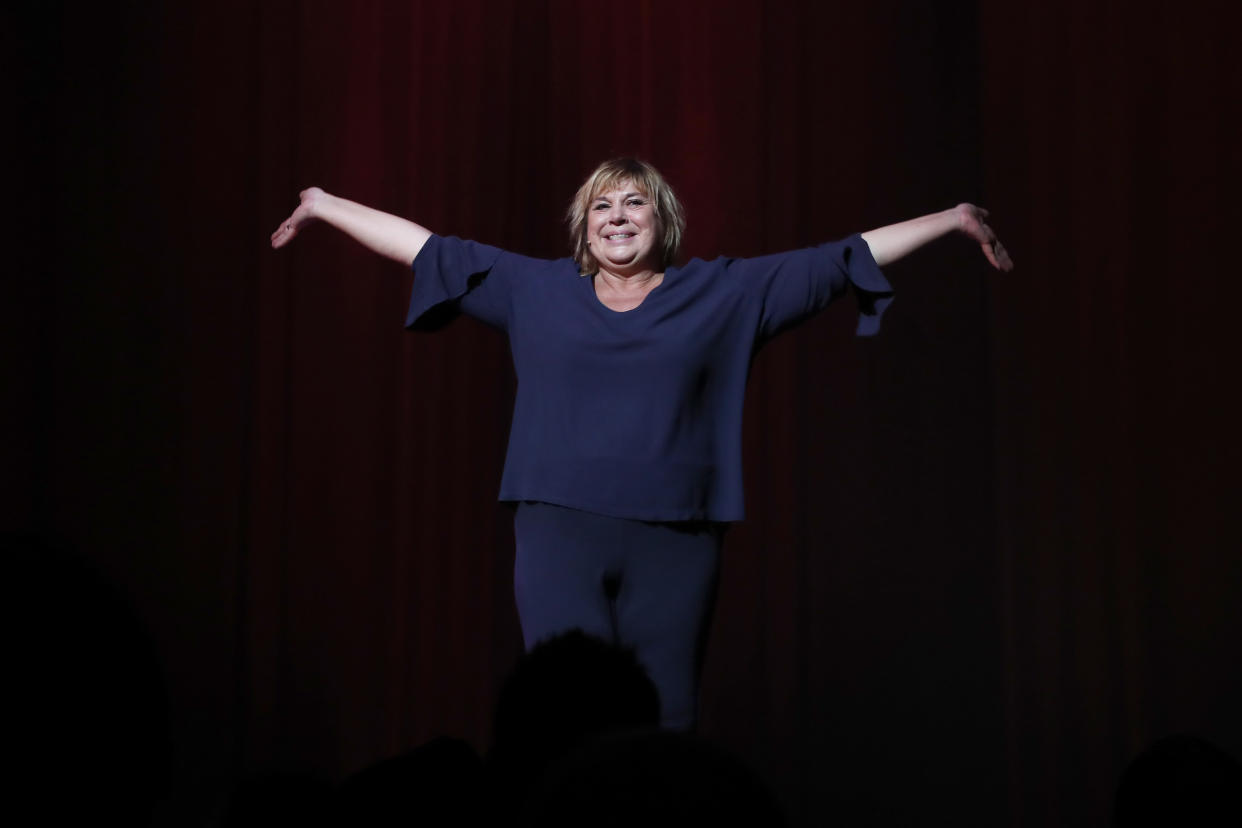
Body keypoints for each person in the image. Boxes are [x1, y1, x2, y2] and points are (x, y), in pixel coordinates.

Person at [271, 158, 1012, 730]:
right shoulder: (536, 289)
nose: (617, 216)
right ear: (582, 226)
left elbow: (841, 257)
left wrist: (948, 220)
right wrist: (325, 205)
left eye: (634, 203)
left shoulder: (724, 293)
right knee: (567, 709)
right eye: (602, 205)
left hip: (678, 533)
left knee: (665, 710)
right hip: (560, 527)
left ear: (664, 221)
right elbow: (426, 247)